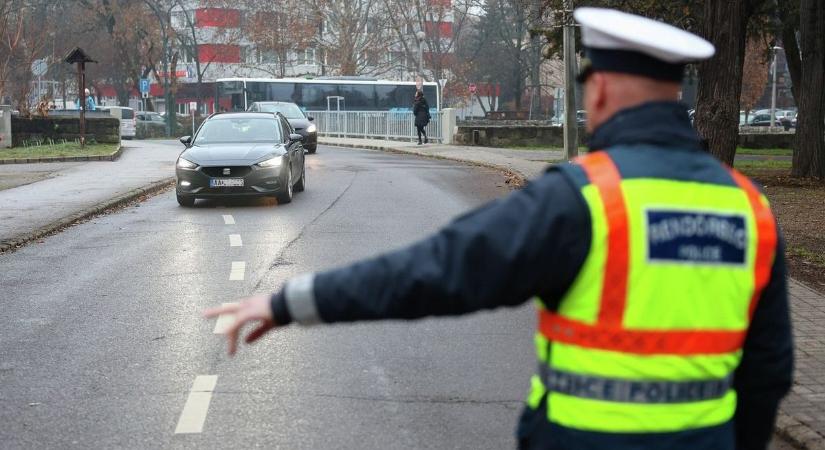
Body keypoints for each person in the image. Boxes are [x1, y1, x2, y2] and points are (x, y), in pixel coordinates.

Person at [204, 8, 792, 450]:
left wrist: (289, 301)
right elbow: (770, 370)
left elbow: (437, 270)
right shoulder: (750, 208)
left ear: (604, 89)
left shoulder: (584, 199)